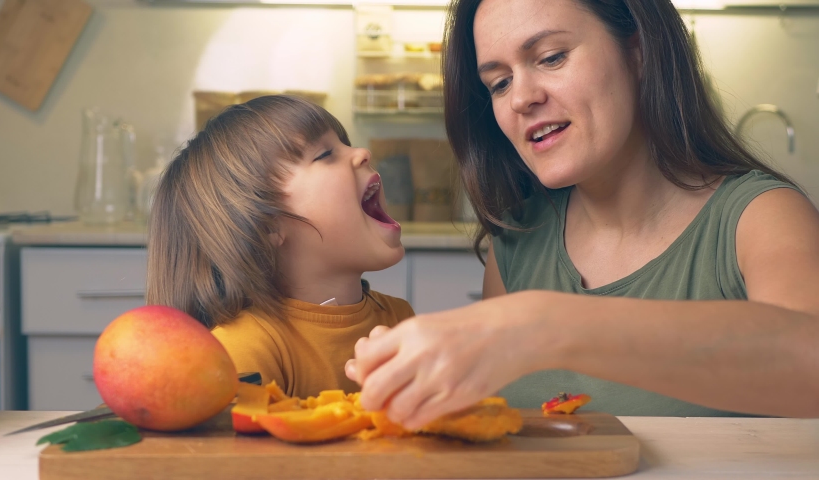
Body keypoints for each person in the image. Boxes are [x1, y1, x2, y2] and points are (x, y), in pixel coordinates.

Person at [346, 0, 819, 429]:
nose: (520, 98)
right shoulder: (516, 241)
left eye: (551, 57)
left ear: (638, 52)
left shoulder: (759, 216)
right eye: (499, 82)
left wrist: (544, 324)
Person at [147, 95, 414, 398]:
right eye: (326, 154)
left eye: (345, 143)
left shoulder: (398, 317)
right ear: (269, 225)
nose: (362, 152)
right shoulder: (242, 352)